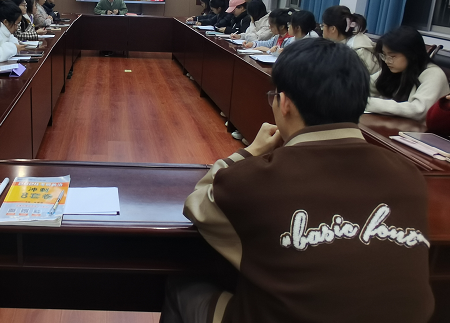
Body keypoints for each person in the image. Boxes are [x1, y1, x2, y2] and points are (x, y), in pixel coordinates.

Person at [162, 38, 433, 323]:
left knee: (182, 288)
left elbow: (197, 204)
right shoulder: (409, 175)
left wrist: (250, 151)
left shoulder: (255, 179)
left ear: (285, 102)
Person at [366, 26, 449, 121]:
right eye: (384, 55)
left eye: (392, 56)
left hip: (421, 129)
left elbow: (418, 110)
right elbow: (367, 85)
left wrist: (366, 102)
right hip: (397, 125)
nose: (387, 60)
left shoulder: (434, 75)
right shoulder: (397, 68)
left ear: (412, 54)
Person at [321, 5, 379, 74]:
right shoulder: (336, 43)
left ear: (333, 29)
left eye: (323, 25)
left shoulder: (359, 51)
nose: (322, 29)